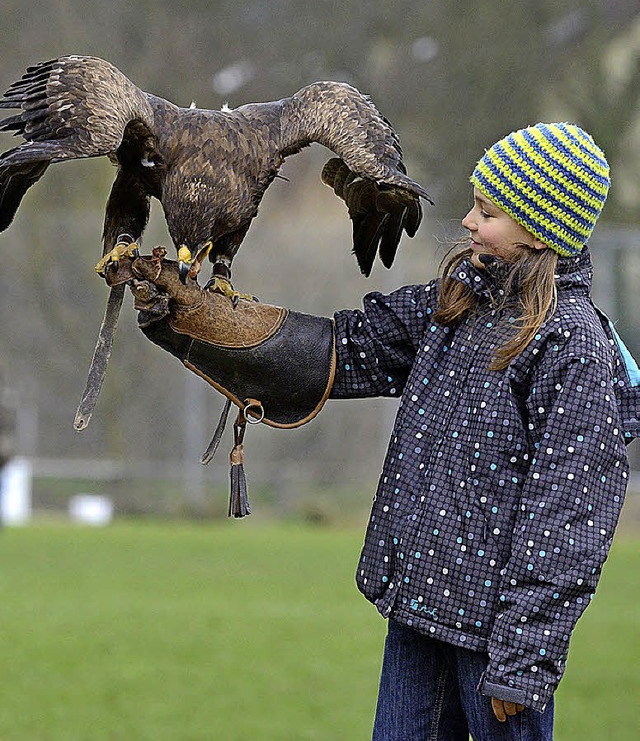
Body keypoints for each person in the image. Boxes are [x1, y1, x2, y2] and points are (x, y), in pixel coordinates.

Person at [124, 122, 639, 741]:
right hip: (418, 612)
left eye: (489, 211)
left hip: (497, 643)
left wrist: (525, 660)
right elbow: (347, 349)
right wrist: (204, 324)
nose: (469, 221)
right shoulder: (457, 300)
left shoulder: (571, 345)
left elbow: (567, 519)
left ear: (540, 230)